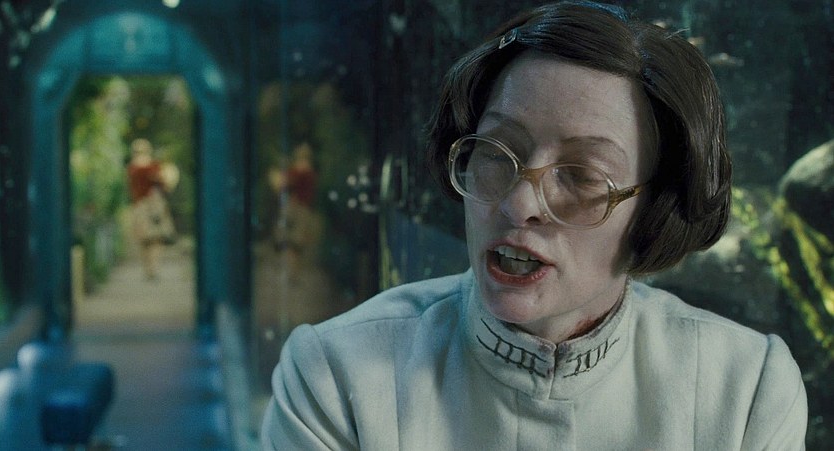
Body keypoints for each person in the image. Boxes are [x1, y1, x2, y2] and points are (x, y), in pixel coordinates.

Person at [260, 2, 807, 449]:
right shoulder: (337, 376)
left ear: (656, 209)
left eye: (581, 175)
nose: (518, 203)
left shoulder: (744, 393)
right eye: (498, 152)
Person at [126, 138, 177, 280]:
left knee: (143, 240)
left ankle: (147, 268)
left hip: (139, 206)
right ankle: (153, 268)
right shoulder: (153, 166)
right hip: (154, 205)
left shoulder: (131, 168)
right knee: (156, 239)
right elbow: (164, 184)